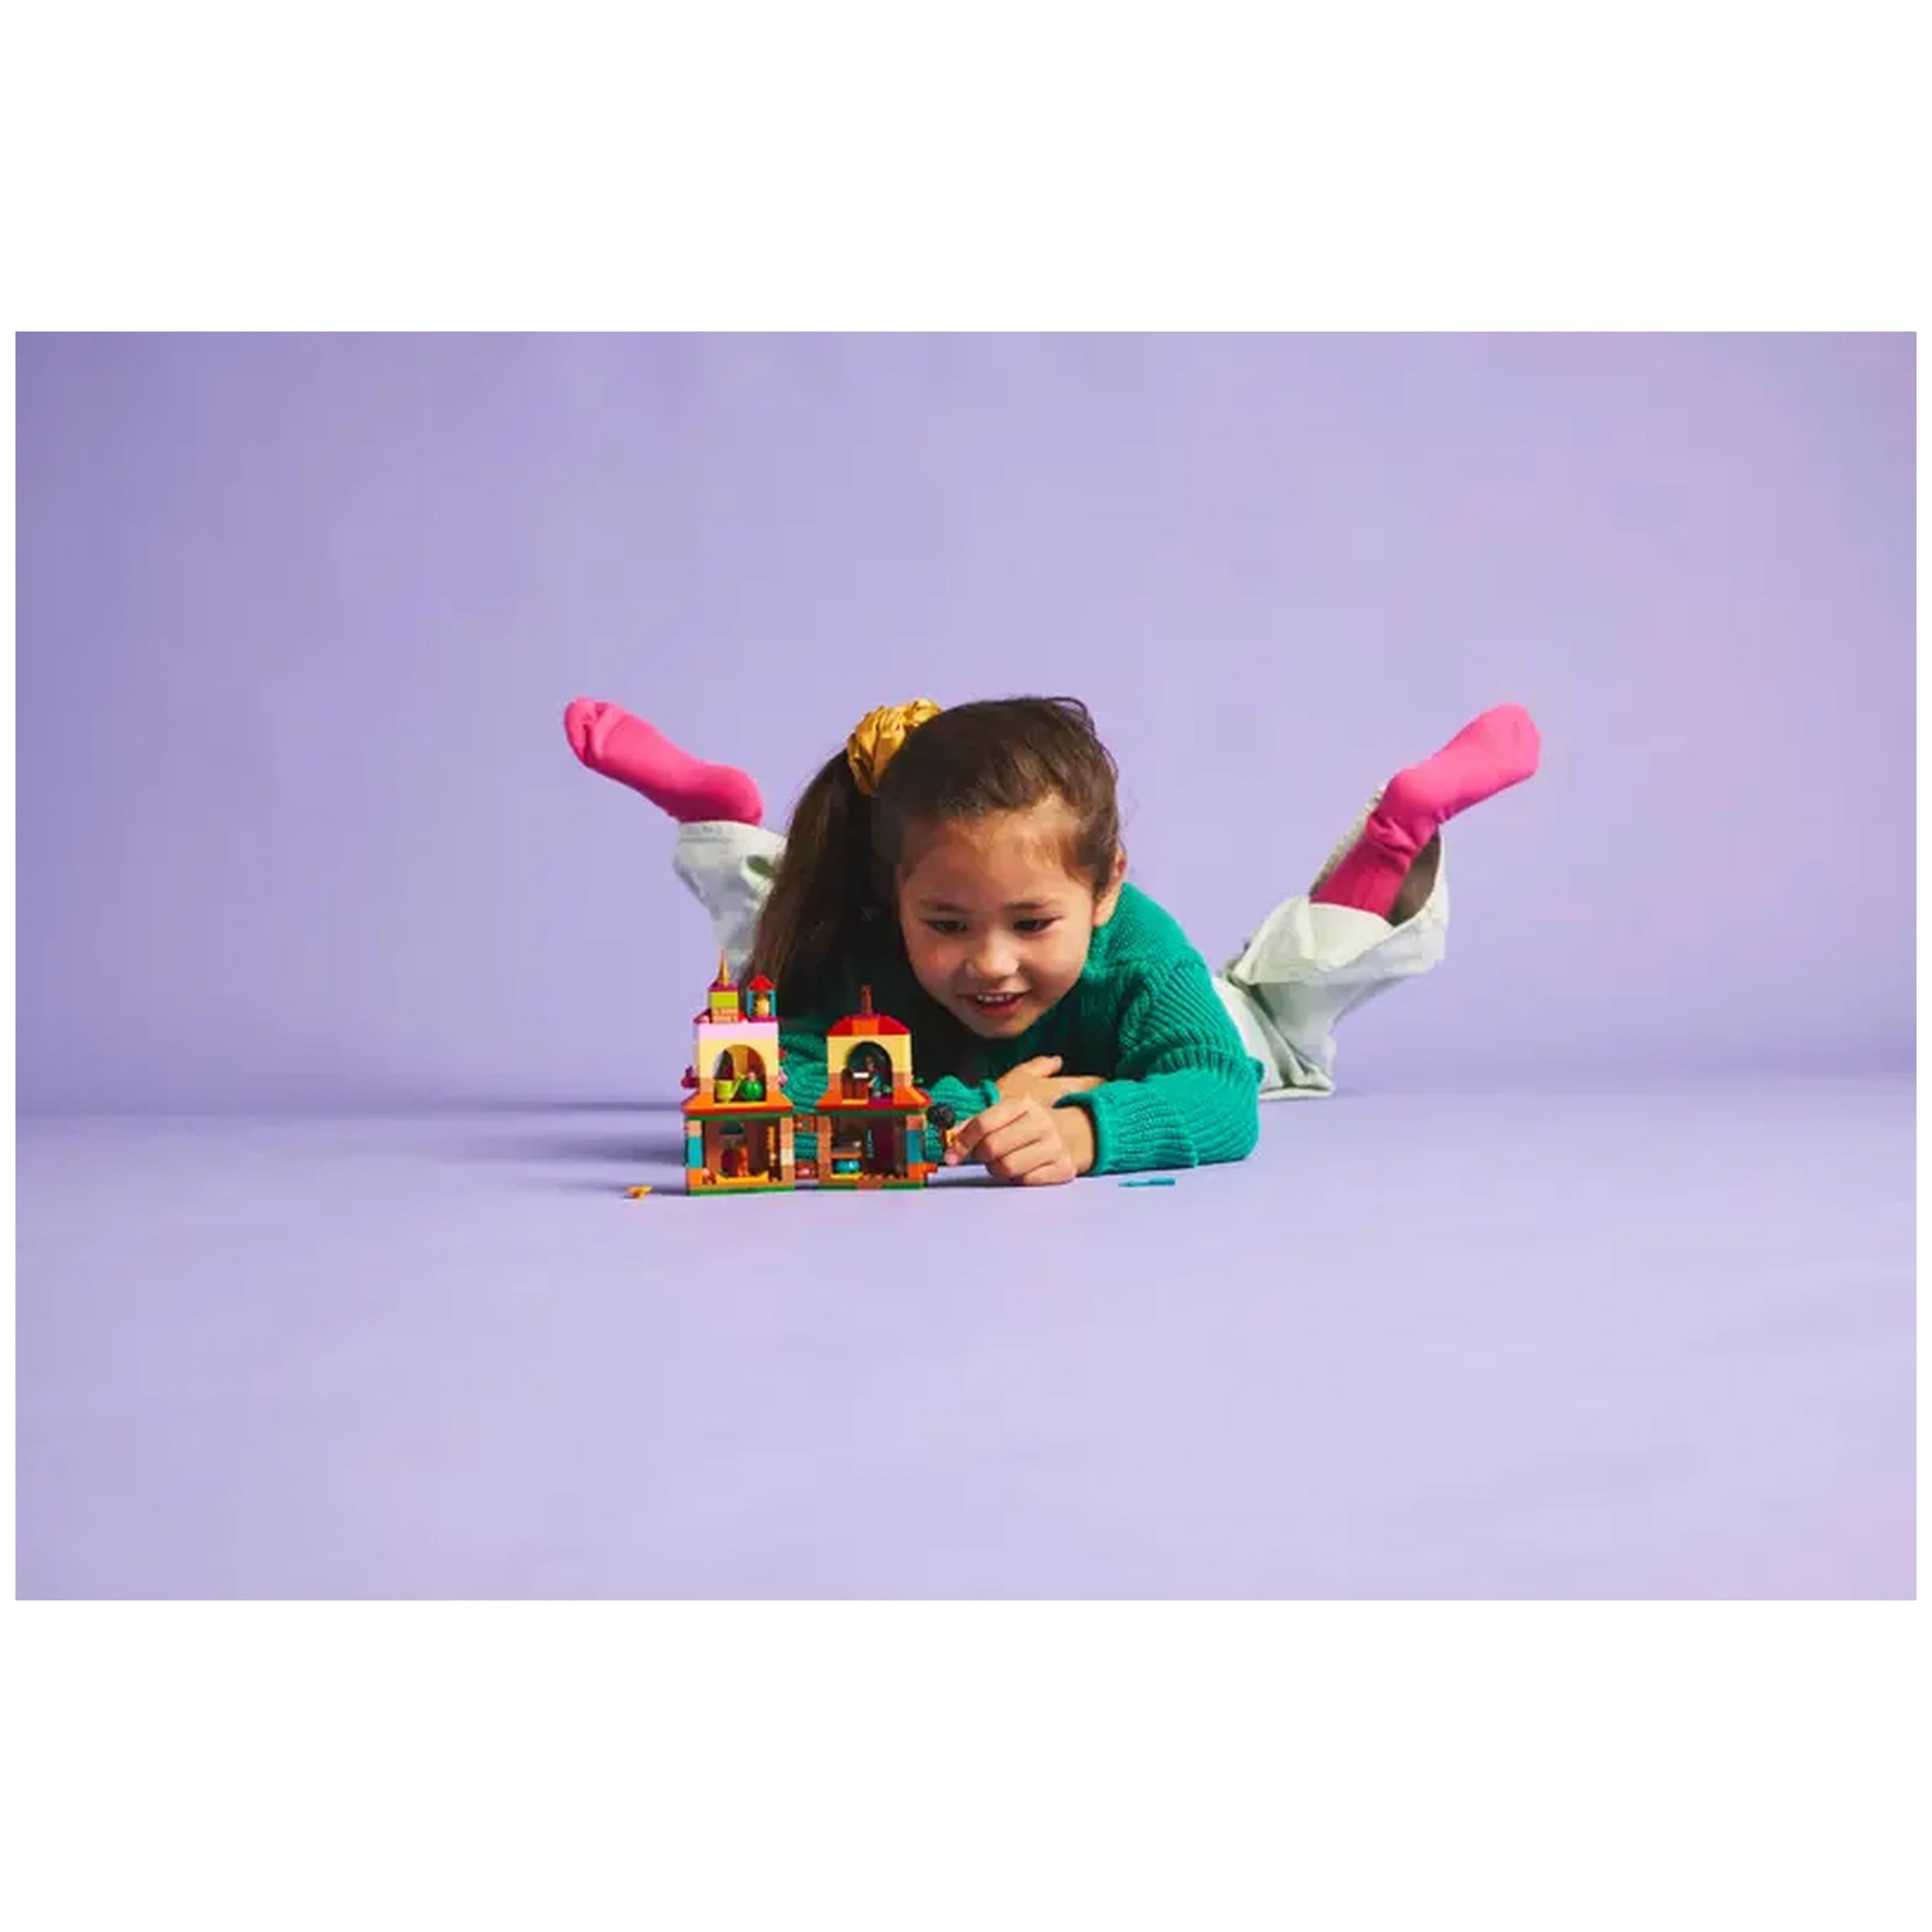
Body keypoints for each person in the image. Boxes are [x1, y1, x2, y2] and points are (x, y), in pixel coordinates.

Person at [564, 693, 1539, 1185]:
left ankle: (1396, 835)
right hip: (942, 1032)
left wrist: (1082, 1130)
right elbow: (773, 1087)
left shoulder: (1139, 948)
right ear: (889, 895)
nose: (990, 963)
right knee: (764, 973)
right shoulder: (860, 949)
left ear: (1108, 887)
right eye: (946, 924)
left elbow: (1219, 1097)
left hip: (1211, 1026)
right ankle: (732, 831)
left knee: (1278, 1015)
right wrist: (985, 1108)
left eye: (1033, 923)